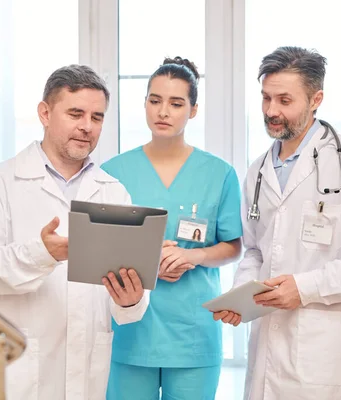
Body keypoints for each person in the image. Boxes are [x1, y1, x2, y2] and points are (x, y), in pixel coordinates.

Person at [215, 46, 341, 400]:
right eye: (266, 98)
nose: (271, 111)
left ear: (316, 99)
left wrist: (305, 287)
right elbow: (256, 249)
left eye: (284, 100)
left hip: (326, 351)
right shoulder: (258, 171)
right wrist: (242, 296)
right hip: (268, 346)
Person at [0, 65, 149, 400]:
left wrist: (132, 301)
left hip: (87, 372)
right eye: (76, 113)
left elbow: (126, 298)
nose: (87, 126)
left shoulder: (114, 193)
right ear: (45, 113)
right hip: (17, 374)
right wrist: (41, 255)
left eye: (97, 117)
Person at [102, 57, 243, 400]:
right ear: (145, 104)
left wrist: (192, 256)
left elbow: (233, 247)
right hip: (131, 331)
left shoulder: (219, 173)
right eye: (155, 100)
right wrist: (148, 260)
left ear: (193, 110)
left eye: (176, 103)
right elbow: (100, 247)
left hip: (193, 331)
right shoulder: (112, 172)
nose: (163, 111)